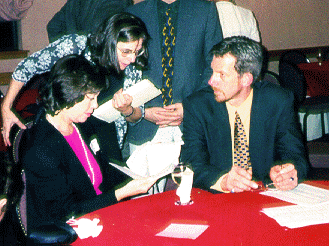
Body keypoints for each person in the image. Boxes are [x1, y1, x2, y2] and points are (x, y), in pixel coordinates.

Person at [21, 54, 157, 233]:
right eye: (90, 98)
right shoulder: (41, 149)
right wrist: (123, 193)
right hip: (71, 232)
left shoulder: (79, 124)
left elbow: (104, 173)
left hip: (101, 216)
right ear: (71, 94)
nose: (95, 106)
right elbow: (67, 213)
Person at [1, 13, 150, 163]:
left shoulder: (133, 67)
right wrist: (6, 107)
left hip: (104, 136)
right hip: (62, 128)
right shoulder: (77, 45)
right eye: (126, 51)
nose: (132, 59)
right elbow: (26, 68)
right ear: (109, 41)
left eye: (137, 52)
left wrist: (126, 109)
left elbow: (135, 117)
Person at [180, 36, 309, 193]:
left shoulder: (278, 101)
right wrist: (223, 181)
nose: (211, 81)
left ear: (246, 79)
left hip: (267, 193)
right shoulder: (197, 105)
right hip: (219, 198)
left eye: (221, 74)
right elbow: (191, 164)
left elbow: (297, 157)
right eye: (212, 72)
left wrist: (289, 172)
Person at [125, 0, 223, 191]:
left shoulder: (205, 10)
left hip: (191, 124)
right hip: (146, 124)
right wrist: (143, 111)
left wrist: (191, 107)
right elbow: (126, 71)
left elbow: (216, 66)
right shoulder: (134, 13)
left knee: (197, 197)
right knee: (144, 205)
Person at [47, 0, 133, 42]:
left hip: (73, 68)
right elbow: (102, 37)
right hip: (92, 70)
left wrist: (66, 53)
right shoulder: (118, 2)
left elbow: (53, 26)